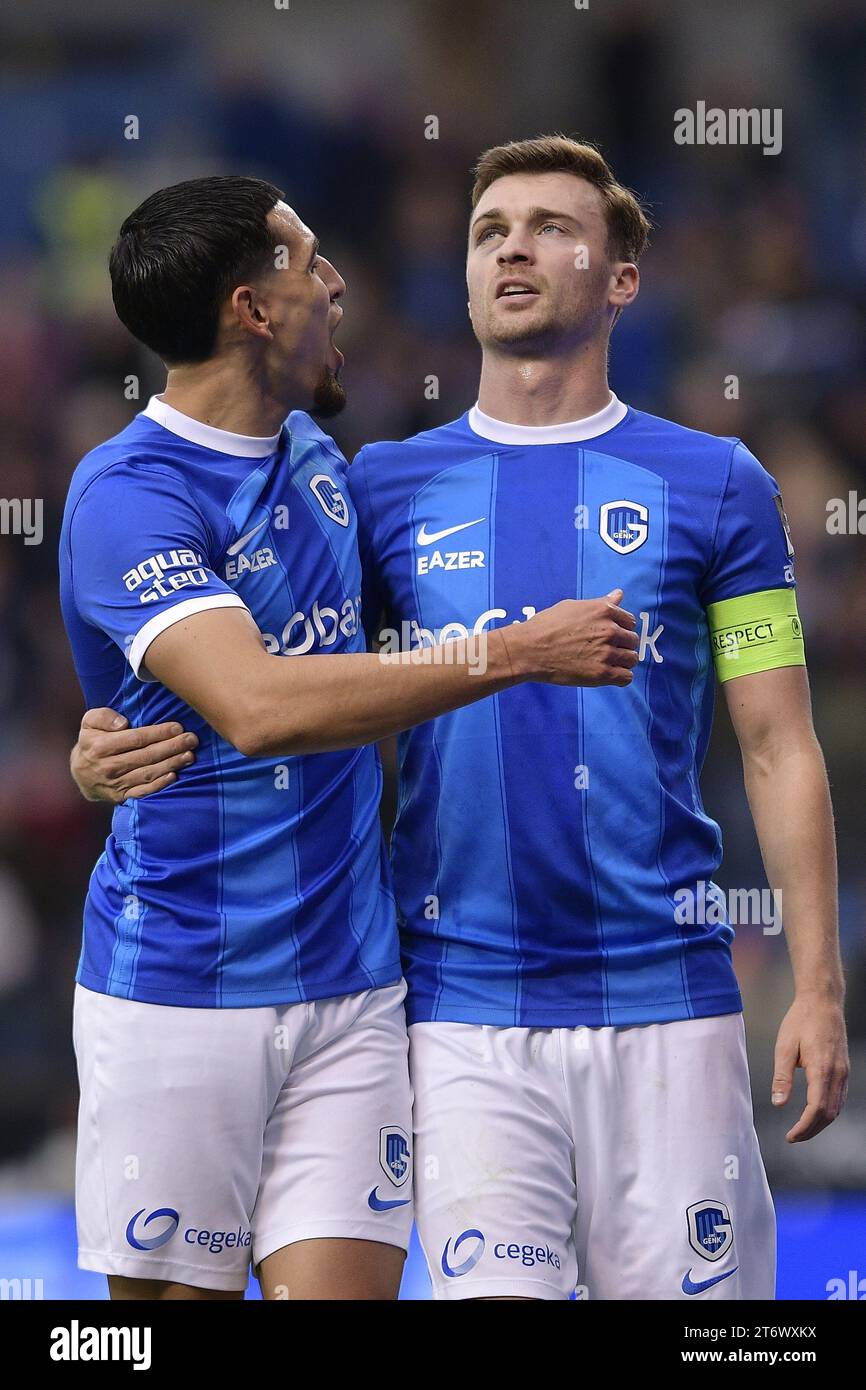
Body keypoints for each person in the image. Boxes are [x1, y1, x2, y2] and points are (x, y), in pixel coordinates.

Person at [72, 138, 849, 1302]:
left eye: (549, 226)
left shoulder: (716, 483)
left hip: (665, 1000)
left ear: (622, 277)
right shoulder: (372, 485)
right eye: (490, 230)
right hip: (447, 1008)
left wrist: (820, 981)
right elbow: (276, 689)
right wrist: (103, 747)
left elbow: (779, 740)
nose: (513, 248)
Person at [59, 172, 639, 1302]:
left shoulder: (326, 466)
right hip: (179, 983)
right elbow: (260, 703)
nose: (337, 287)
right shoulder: (128, 492)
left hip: (353, 985)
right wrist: (521, 649)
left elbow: (376, 662)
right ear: (251, 309)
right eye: (311, 264)